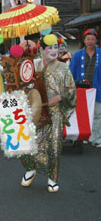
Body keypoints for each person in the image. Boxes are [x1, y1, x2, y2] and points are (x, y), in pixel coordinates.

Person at [20, 35, 76, 193]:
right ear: (42, 50)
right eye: (49, 48)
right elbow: (23, 84)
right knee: (26, 142)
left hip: (55, 113)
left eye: (55, 48)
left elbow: (71, 90)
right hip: (36, 110)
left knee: (54, 146)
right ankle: (31, 168)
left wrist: (61, 97)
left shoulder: (64, 67)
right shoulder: (34, 65)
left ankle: (52, 177)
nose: (53, 51)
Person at [70, 29, 101, 147]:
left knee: (98, 114)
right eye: (88, 39)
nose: (90, 41)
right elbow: (71, 72)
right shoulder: (77, 54)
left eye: (92, 39)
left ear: (96, 40)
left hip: (98, 89)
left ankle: (96, 138)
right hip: (82, 89)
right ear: (84, 40)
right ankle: (84, 136)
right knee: (83, 114)